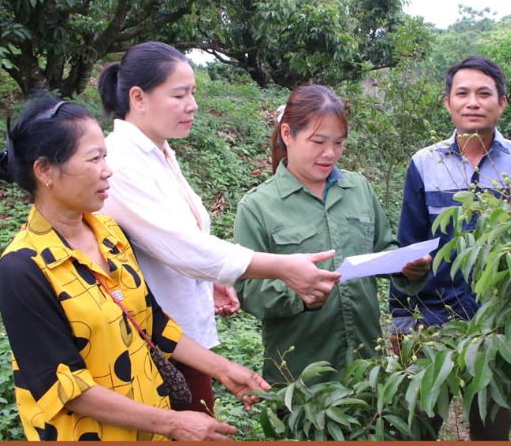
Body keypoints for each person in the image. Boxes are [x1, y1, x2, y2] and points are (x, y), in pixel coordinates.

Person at [0, 94, 269, 441]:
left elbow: (152, 321)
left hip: (148, 428)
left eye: (105, 156)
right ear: (45, 170)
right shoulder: (23, 268)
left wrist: (223, 368)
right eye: (94, 159)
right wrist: (175, 423)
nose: (108, 170)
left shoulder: (109, 234)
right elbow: (64, 386)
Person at [97, 42, 341, 416]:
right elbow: (182, 246)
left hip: (184, 337)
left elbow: (178, 241)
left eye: (192, 93)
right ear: (138, 97)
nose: (192, 104)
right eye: (180, 94)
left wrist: (209, 279)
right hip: (150, 346)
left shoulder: (159, 152)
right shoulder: (122, 162)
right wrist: (281, 267)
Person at [389, 56, 511, 440]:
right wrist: (401, 321)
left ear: (503, 103)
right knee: (418, 426)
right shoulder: (424, 164)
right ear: (447, 102)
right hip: (432, 323)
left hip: (503, 324)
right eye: (462, 93)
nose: (472, 102)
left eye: (484, 93)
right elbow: (408, 244)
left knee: (492, 431)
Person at [232, 84, 431, 386]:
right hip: (301, 375)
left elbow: (384, 248)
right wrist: (300, 293)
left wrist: (407, 267)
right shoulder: (258, 206)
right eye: (318, 141)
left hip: (366, 367)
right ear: (287, 134)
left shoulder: (359, 188)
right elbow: (246, 290)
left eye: (338, 143)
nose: (330, 153)